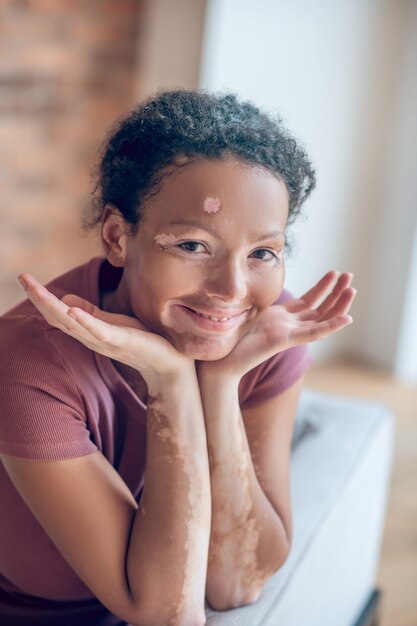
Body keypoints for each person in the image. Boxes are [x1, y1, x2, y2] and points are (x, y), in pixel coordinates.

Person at [0, 89, 356, 626]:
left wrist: (217, 382)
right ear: (118, 237)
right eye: (192, 245)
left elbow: (236, 582)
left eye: (263, 252)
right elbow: (166, 614)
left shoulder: (264, 332)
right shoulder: (27, 362)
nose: (232, 290)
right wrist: (170, 380)